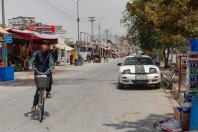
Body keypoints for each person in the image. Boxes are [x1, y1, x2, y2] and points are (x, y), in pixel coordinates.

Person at [28, 40, 55, 112]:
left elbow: (51, 62)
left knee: (50, 79)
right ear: (41, 46)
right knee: (38, 90)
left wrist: (52, 68)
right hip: (38, 71)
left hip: (46, 71)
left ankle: (48, 92)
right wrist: (30, 66)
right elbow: (31, 61)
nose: (45, 46)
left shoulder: (49, 55)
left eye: (47, 45)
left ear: (48, 47)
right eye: (44, 44)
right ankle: (34, 105)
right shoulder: (36, 53)